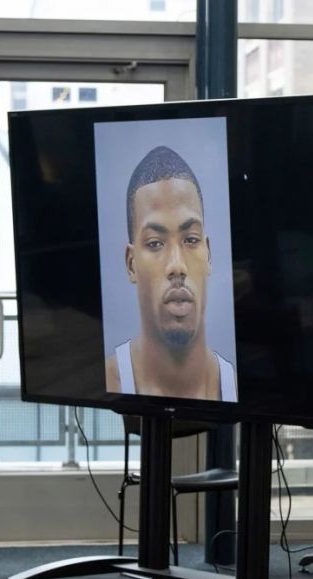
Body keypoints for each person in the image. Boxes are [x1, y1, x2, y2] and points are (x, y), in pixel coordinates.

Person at [105, 145, 237, 401]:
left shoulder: (237, 386)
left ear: (208, 254)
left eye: (190, 239)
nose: (177, 266)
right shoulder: (110, 379)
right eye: (155, 243)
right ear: (131, 264)